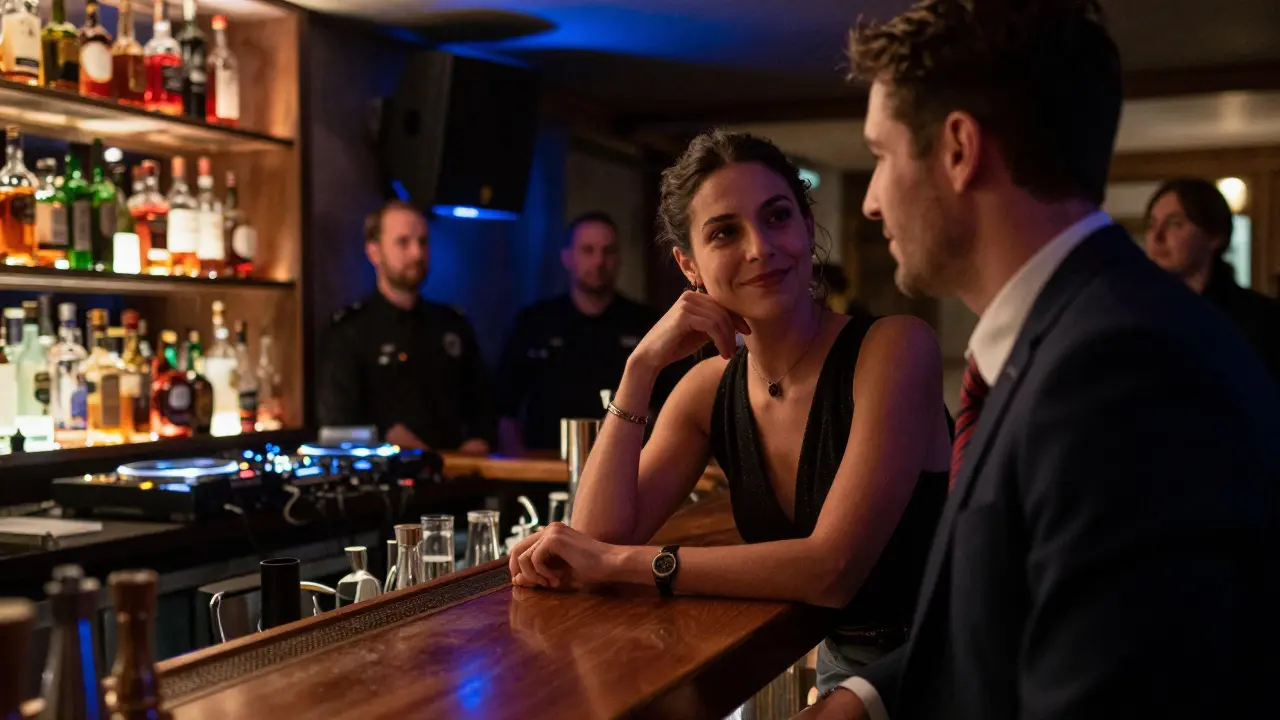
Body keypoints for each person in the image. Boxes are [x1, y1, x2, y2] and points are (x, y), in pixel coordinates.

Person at [801, 1, 1277, 719]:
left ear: (959, 149)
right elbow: (1000, 623)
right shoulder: (1064, 340)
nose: (868, 202)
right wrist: (864, 701)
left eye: (880, 155)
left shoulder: (1123, 373)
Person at [507, 130, 955, 687]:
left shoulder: (895, 349)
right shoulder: (707, 388)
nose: (760, 248)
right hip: (842, 666)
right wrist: (640, 368)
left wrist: (626, 565)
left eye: (776, 217)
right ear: (688, 265)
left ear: (808, 228)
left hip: (951, 659)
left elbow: (831, 571)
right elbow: (596, 537)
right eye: (725, 232)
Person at [496, 211, 683, 454]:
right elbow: (504, 407)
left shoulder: (647, 324)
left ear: (618, 258)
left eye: (608, 251)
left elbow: (673, 403)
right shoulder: (534, 323)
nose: (599, 261)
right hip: (544, 469)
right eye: (588, 251)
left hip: (628, 468)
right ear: (567, 257)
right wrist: (518, 469)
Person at [316, 199, 494, 454]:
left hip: (455, 477)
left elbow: (484, 403)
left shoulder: (451, 325)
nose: (417, 254)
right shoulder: (349, 332)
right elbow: (336, 423)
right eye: (403, 242)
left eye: (423, 242)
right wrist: (384, 435)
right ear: (374, 252)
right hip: (385, 481)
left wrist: (479, 439)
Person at [1145, 178, 1280, 383]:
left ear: (1214, 236)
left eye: (1175, 223)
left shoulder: (1260, 320)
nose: (1157, 236)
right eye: (1152, 224)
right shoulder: (1138, 313)